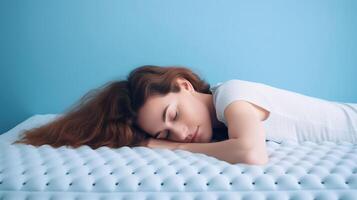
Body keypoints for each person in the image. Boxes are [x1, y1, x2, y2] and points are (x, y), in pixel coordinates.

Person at [14, 65, 357, 165]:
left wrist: (169, 148)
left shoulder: (232, 95)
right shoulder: (222, 121)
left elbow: (251, 153)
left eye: (173, 114)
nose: (178, 132)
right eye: (164, 133)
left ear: (185, 85)